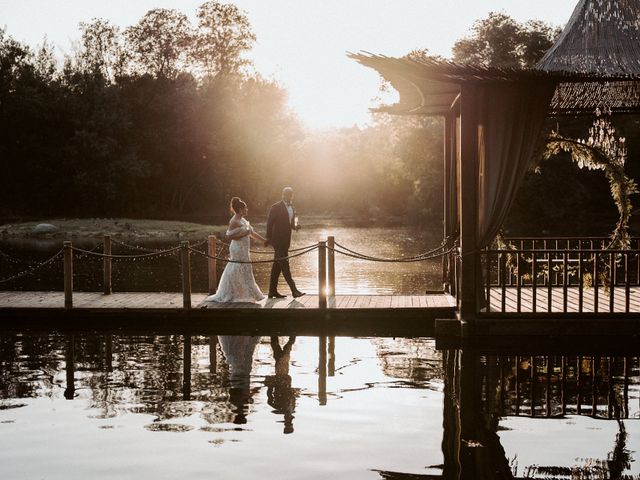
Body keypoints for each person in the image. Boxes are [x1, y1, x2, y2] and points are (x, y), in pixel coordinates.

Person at [204, 197, 266, 303]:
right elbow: (230, 236)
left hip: (244, 249)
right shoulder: (234, 221)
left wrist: (264, 240)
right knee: (236, 268)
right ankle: (230, 292)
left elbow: (251, 233)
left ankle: (248, 292)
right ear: (241, 209)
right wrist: (243, 233)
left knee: (245, 268)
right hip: (238, 248)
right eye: (245, 208)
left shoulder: (243, 220)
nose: (247, 210)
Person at [265, 187, 305, 298]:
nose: (289, 197)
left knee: (277, 266)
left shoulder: (292, 207)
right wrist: (268, 238)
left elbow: (290, 224)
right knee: (285, 264)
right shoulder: (275, 207)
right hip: (277, 241)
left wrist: (295, 227)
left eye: (291, 195)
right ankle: (294, 290)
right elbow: (269, 224)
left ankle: (272, 291)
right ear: (283, 195)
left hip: (286, 241)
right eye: (287, 195)